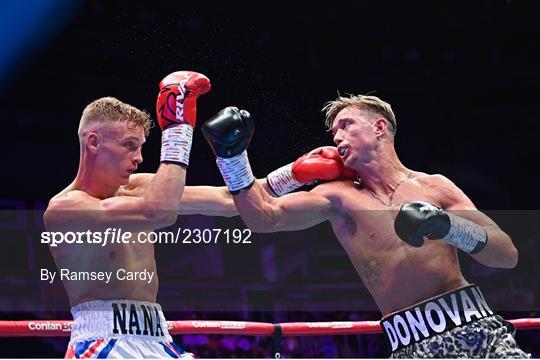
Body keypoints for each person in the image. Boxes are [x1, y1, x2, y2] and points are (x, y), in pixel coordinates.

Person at [202, 96, 530, 358]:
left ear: (379, 127)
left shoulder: (435, 187)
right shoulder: (338, 197)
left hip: (479, 329)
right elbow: (262, 217)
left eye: (346, 125)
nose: (338, 137)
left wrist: (448, 227)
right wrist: (232, 157)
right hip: (411, 344)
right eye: (334, 133)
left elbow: (506, 255)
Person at [43, 71, 214, 358]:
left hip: (158, 338)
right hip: (102, 342)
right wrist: (178, 129)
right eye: (129, 145)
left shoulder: (137, 189)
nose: (139, 157)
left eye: (141, 147)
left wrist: (293, 176)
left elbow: (226, 199)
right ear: (94, 142)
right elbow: (158, 212)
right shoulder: (66, 208)